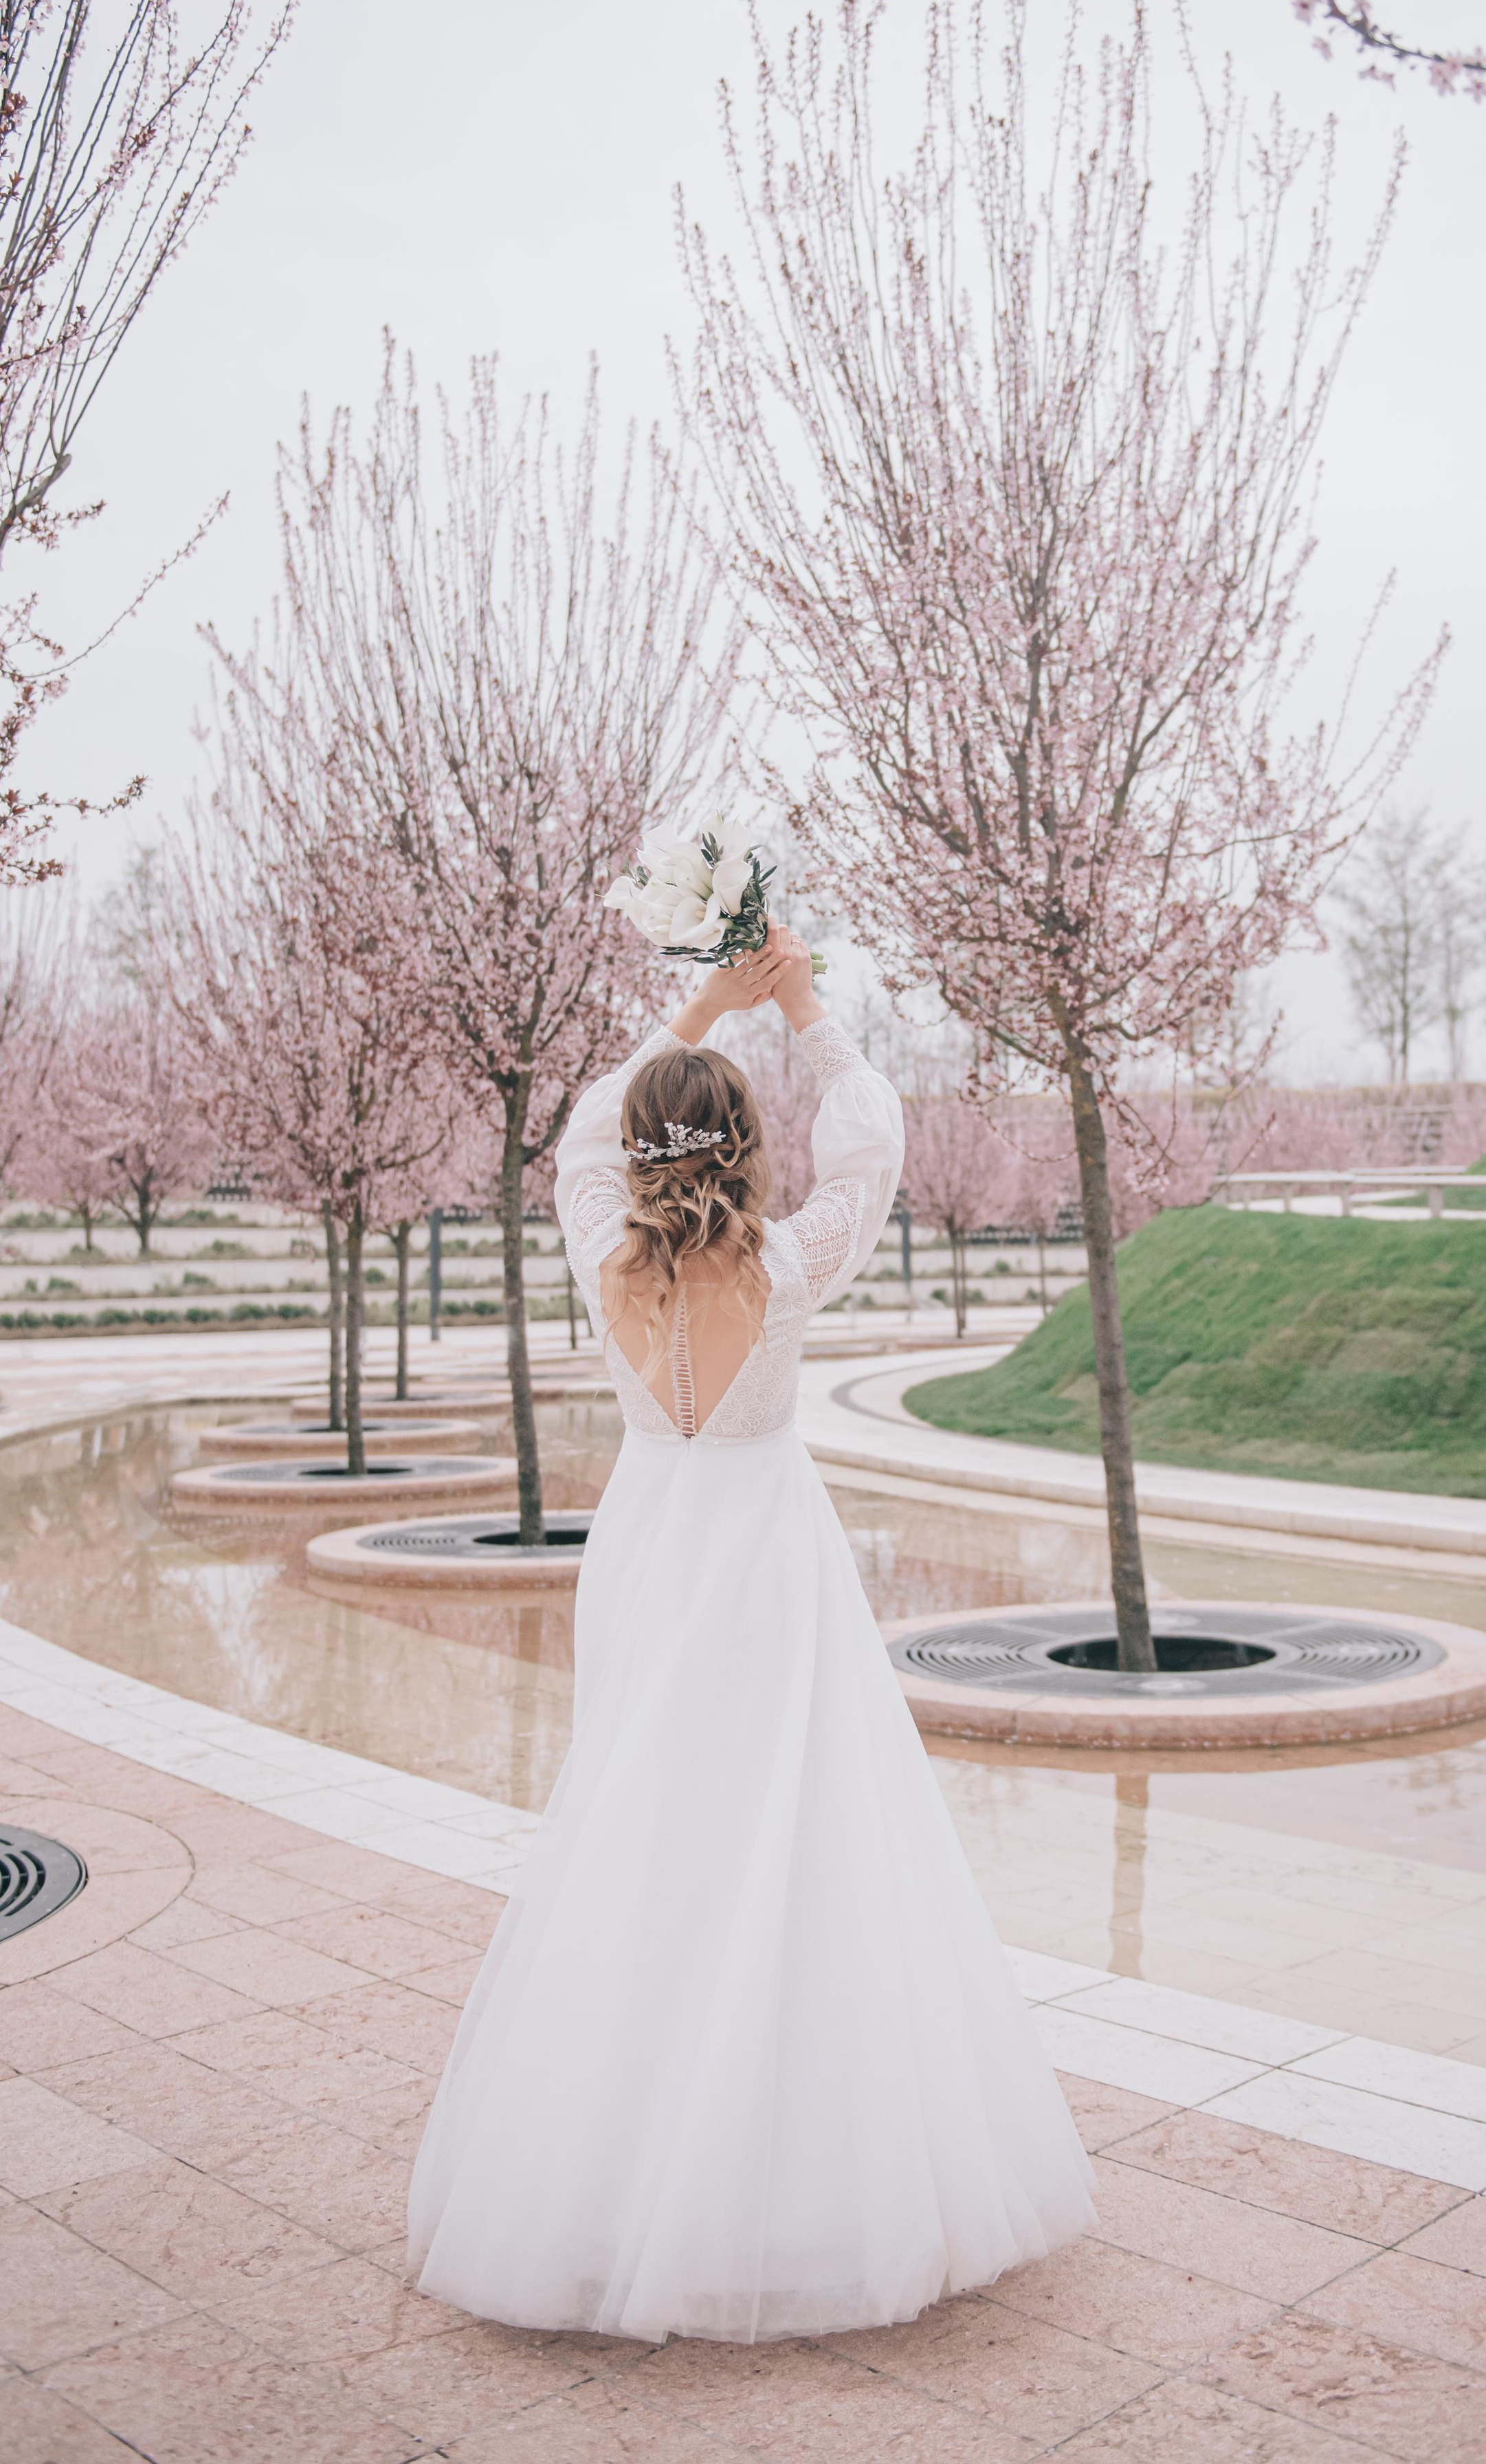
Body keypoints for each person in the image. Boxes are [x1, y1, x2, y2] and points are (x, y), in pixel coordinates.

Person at [406, 925, 1094, 2343]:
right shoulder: (786, 1265)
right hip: (768, 1554)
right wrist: (801, 1007)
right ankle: (797, 2169)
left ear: (647, 1154)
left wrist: (704, 1006)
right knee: (796, 1819)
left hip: (648, 1545)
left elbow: (583, 1130)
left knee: (646, 1813)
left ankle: (621, 2162)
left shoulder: (600, 1252)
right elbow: (872, 1146)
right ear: (741, 1147)